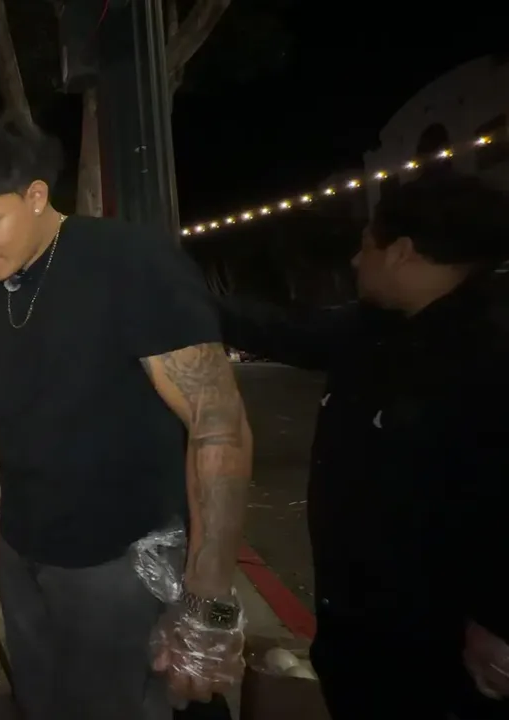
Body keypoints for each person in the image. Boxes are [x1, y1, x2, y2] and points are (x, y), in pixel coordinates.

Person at [0, 115, 253, 719]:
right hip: (24, 548)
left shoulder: (128, 263)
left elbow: (218, 425)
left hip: (116, 560)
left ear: (37, 196)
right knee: (40, 703)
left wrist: (208, 599)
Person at [216, 173, 509, 719]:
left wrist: (498, 622)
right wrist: (167, 287)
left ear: (401, 252)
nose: (356, 260)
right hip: (359, 628)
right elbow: (280, 330)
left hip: (435, 652)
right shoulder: (378, 327)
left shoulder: (486, 356)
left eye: (367, 244)